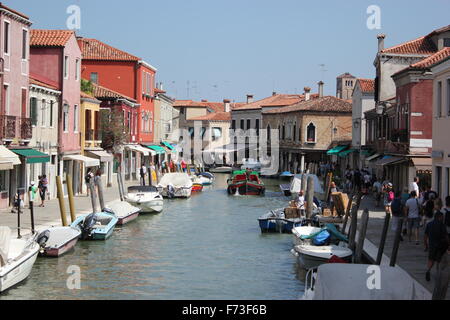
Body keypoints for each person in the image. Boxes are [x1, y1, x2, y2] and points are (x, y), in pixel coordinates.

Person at [424, 211, 449, 281]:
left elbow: (425, 236)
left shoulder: (429, 224)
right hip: (440, 245)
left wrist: (425, 244)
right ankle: (437, 275)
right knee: (438, 261)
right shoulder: (442, 225)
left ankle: (428, 271)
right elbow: (446, 236)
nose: (443, 218)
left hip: (431, 245)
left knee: (431, 259)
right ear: (439, 217)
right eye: (442, 217)